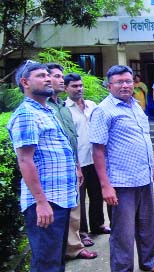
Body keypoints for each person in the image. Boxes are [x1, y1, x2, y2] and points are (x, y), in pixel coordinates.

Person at [90, 65, 154, 272]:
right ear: (109, 85)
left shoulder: (136, 105)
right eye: (119, 82)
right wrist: (106, 186)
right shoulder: (103, 111)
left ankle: (148, 263)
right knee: (123, 233)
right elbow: (97, 151)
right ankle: (123, 269)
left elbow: (142, 138)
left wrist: (152, 166)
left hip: (143, 178)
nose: (125, 85)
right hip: (121, 183)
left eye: (128, 81)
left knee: (147, 226)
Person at [7, 60, 78, 271]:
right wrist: (41, 203)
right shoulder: (27, 114)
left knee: (56, 261)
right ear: (25, 82)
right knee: (46, 264)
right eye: (40, 76)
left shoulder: (45, 111)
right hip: (46, 203)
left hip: (60, 199)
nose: (48, 78)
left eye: (49, 75)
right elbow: (25, 160)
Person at [46, 64, 97, 260]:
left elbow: (70, 138)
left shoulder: (60, 106)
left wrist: (76, 165)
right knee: (65, 209)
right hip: (55, 169)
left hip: (73, 164)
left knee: (74, 207)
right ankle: (70, 247)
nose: (60, 79)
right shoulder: (46, 108)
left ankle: (73, 246)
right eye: (55, 76)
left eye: (61, 76)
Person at [64, 73, 110, 241]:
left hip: (96, 159)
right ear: (65, 88)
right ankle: (82, 233)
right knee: (80, 199)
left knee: (97, 194)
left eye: (80, 85)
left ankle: (98, 225)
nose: (79, 89)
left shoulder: (92, 105)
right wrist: (75, 165)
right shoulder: (64, 110)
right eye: (74, 86)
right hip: (79, 161)